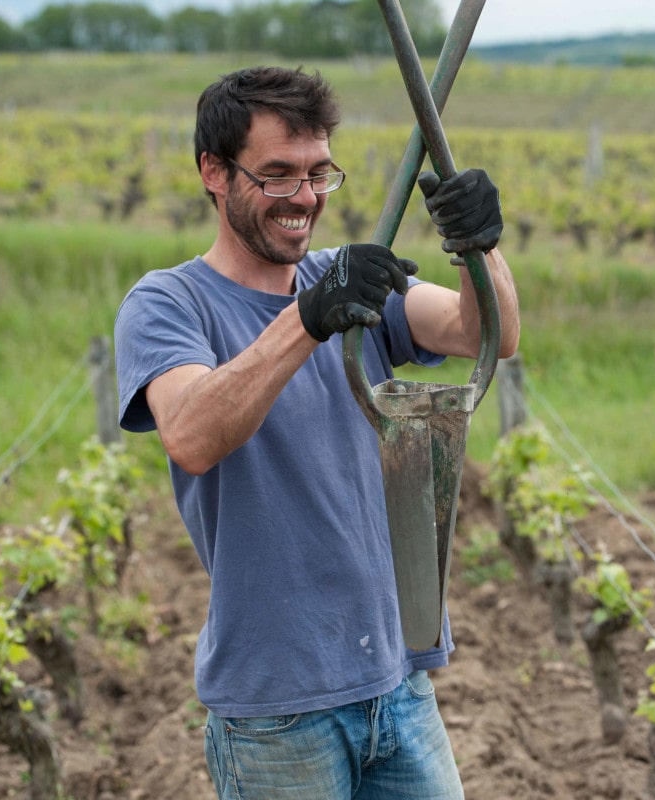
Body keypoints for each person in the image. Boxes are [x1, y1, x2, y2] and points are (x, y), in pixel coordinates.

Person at [113, 65, 519, 800]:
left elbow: (486, 333)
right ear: (214, 172)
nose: (304, 198)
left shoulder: (343, 279)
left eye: (318, 174)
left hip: (398, 683)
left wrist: (480, 247)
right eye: (277, 176)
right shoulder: (168, 303)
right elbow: (193, 434)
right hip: (277, 713)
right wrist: (307, 319)